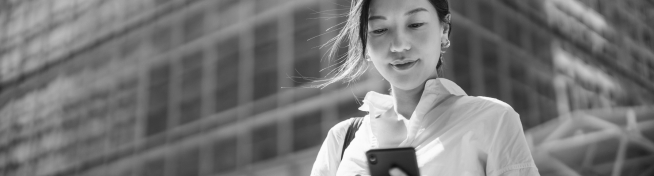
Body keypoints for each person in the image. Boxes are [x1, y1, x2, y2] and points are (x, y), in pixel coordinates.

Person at [310, 0, 540, 175]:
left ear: (444, 29)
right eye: (379, 30)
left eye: (415, 24)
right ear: (364, 41)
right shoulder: (342, 140)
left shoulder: (493, 120)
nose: (399, 45)